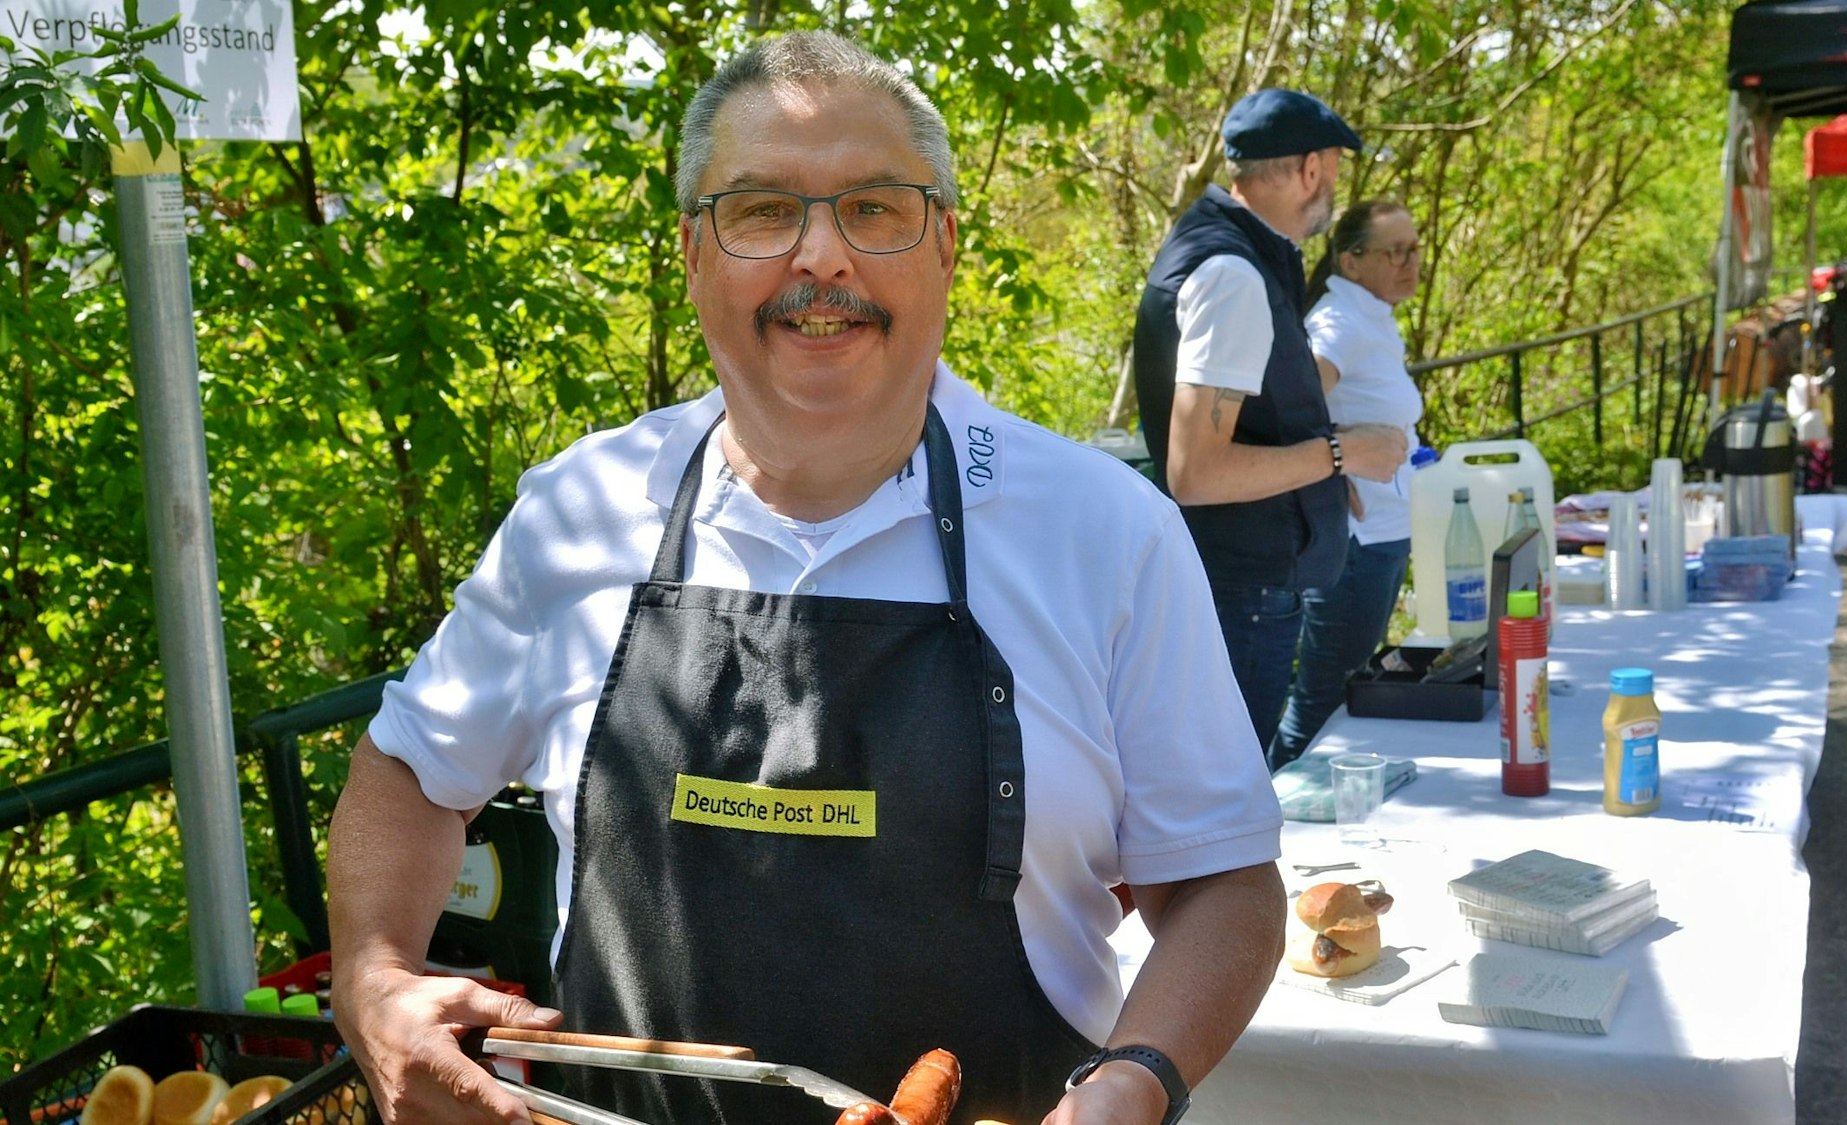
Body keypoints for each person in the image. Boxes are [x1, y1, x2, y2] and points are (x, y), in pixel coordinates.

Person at [325, 30, 1284, 1125]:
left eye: (875, 209)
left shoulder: (1106, 533)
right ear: (692, 254)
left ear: (946, 248)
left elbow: (1218, 882)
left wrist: (1135, 1084)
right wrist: (373, 979)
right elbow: (406, 773)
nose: (820, 258)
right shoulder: (579, 513)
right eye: (762, 210)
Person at [1131, 89, 1406, 761]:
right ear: (1311, 170)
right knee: (1226, 796)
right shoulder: (1232, 276)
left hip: (1234, 584)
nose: (1335, 188)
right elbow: (1194, 473)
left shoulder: (1226, 248)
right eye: (1335, 169)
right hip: (1242, 593)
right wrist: (1340, 454)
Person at [1268, 200, 1424, 769]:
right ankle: (1265, 831)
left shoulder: (1370, 316)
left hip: (1382, 534)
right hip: (1356, 544)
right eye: (1395, 251)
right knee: (1322, 704)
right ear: (1352, 261)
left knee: (1343, 694)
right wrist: (1335, 453)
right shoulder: (1339, 322)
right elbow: (1287, 400)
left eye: (1415, 249)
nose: (1411, 263)